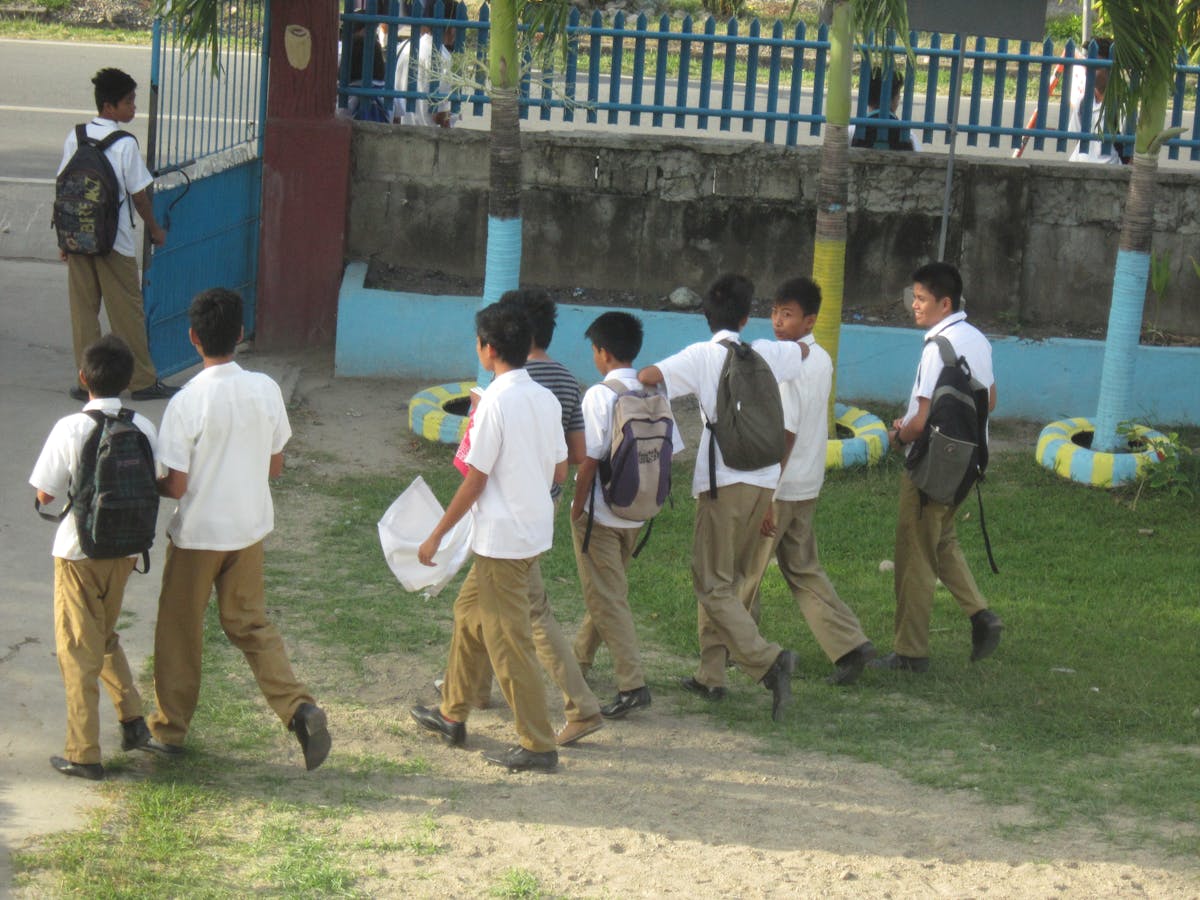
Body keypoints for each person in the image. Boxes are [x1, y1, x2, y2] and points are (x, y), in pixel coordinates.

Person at [144, 288, 331, 771]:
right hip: (249, 530)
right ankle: (299, 708)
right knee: (250, 624)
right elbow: (275, 465)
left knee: (180, 630)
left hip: (198, 535)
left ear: (193, 337)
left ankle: (169, 728)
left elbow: (177, 485)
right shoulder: (265, 389)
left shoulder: (187, 401)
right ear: (241, 334)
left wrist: (150, 484)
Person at [638, 273, 810, 722]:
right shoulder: (767, 351)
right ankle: (710, 674)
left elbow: (648, 376)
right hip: (765, 479)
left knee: (711, 582)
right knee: (727, 580)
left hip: (722, 480)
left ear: (706, 316)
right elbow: (803, 352)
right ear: (747, 317)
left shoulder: (702, 355)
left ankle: (769, 660)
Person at [412, 302, 568, 773]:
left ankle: (538, 744)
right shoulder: (544, 398)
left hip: (504, 541)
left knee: (509, 643)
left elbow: (475, 479)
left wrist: (436, 536)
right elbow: (560, 469)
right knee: (467, 614)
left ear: (488, 349)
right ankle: (451, 714)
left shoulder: (495, 403)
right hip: (528, 533)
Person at [29, 335, 156, 781]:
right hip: (125, 551)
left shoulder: (70, 427)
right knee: (101, 637)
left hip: (78, 553)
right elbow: (156, 479)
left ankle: (83, 753)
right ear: (128, 380)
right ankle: (133, 717)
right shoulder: (143, 426)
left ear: (83, 378)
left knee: (77, 650)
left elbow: (45, 493)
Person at [872, 262, 1003, 673]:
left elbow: (921, 420)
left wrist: (898, 435)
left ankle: (910, 653)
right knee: (941, 539)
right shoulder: (977, 339)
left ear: (945, 303)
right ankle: (982, 616)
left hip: (930, 468)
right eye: (913, 297)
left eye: (922, 299)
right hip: (968, 461)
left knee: (915, 554)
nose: (914, 305)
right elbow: (990, 401)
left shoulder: (936, 349)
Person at [746, 278, 877, 686]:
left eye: (787, 315)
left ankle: (739, 647)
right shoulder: (821, 358)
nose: (777, 321)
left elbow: (785, 433)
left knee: (745, 571)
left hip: (781, 486)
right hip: (807, 482)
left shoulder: (789, 366)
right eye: (774, 312)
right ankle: (851, 644)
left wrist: (767, 494)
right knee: (803, 569)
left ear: (810, 320)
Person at [570, 311, 684, 724]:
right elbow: (672, 450)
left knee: (608, 598)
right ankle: (578, 662)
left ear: (603, 352)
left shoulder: (600, 395)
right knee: (608, 593)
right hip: (638, 512)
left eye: (594, 350)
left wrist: (576, 507)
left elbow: (588, 460)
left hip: (601, 514)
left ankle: (632, 685)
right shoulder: (654, 391)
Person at [58, 68, 177, 402]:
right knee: (127, 313)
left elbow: (63, 188)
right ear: (109, 106)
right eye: (129, 101)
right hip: (115, 242)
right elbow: (140, 196)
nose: (134, 107)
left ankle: (87, 382)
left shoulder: (75, 136)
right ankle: (142, 382)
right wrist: (155, 228)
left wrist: (64, 240)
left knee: (83, 313)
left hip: (79, 240)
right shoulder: (124, 144)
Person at [1068, 38, 1126, 165]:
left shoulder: (1122, 107)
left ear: (1111, 69)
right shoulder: (1082, 102)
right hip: (1077, 166)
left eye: (1096, 67)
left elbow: (1130, 151)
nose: (1089, 71)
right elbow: (1077, 138)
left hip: (1108, 170)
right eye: (1088, 65)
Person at [849, 67, 921, 152]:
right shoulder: (907, 136)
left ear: (865, 96)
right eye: (899, 95)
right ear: (896, 98)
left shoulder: (851, 132)